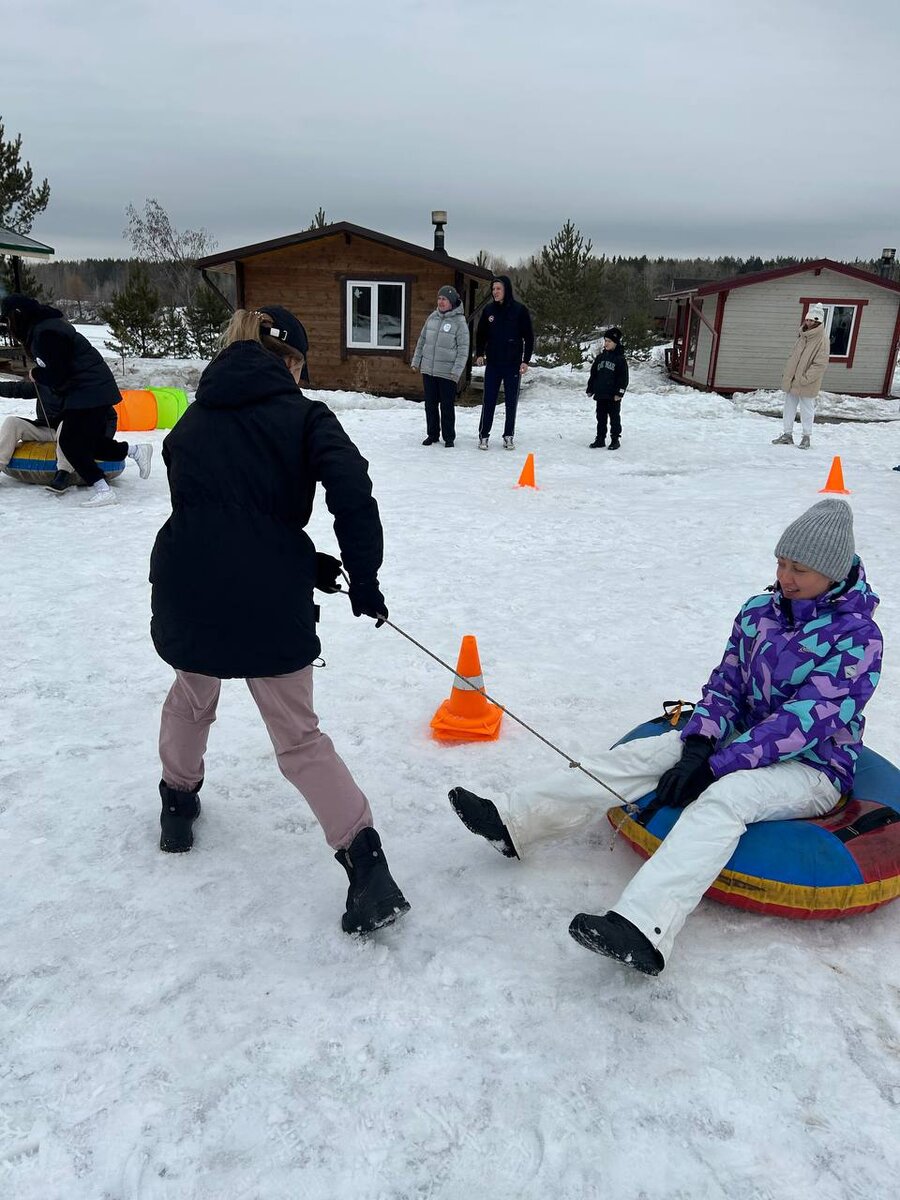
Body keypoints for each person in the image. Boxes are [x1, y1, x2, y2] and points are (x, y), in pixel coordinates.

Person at [448, 499, 881, 975]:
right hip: (739, 736)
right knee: (647, 754)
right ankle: (513, 820)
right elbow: (726, 684)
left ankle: (645, 928)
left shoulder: (858, 639)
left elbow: (804, 722)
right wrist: (698, 745)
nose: (786, 577)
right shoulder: (759, 611)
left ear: (834, 573)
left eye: (800, 569)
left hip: (813, 766)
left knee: (727, 797)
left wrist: (715, 767)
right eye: (781, 563)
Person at [149, 305, 410, 935]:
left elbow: (219, 511)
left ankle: (177, 809)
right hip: (265, 602)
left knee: (191, 695)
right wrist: (362, 578)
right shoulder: (304, 415)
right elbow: (352, 489)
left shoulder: (192, 419)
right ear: (289, 360)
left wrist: (301, 558)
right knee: (298, 737)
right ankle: (367, 869)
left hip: (188, 585)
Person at [0, 294, 152, 506]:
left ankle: (102, 488)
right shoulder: (44, 329)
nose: (8, 327)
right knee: (83, 443)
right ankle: (135, 450)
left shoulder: (46, 333)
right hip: (87, 389)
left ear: (17, 316)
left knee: (70, 443)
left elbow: (59, 373)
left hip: (89, 390)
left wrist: (38, 374)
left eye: (7, 320)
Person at [0, 375, 118, 492]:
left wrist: (105, 439)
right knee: (12, 422)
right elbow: (15, 389)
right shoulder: (42, 384)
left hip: (69, 432)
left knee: (67, 423)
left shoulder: (83, 386)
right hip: (44, 429)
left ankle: (63, 473)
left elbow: (111, 416)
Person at [474, 275, 534, 450]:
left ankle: (509, 435)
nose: (495, 292)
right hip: (493, 363)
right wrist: (479, 353)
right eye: (493, 289)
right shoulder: (489, 311)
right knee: (489, 400)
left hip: (512, 364)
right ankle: (484, 435)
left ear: (506, 290)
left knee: (510, 401)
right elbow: (481, 334)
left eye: (498, 289)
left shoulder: (519, 310)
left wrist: (526, 360)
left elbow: (528, 336)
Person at [410, 285, 469, 447]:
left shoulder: (459, 322)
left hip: (447, 373)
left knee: (447, 407)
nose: (441, 302)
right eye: (439, 298)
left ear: (452, 302)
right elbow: (422, 341)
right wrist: (416, 361)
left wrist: (456, 372)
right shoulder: (432, 318)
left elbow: (463, 350)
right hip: (428, 370)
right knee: (430, 405)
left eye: (444, 299)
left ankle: (449, 437)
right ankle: (432, 434)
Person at [772, 303, 830, 450]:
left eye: (812, 321)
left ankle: (806, 436)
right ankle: (787, 434)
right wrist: (788, 373)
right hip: (793, 379)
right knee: (789, 406)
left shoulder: (822, 340)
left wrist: (805, 378)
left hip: (806, 382)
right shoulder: (802, 336)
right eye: (807, 320)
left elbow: (820, 364)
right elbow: (794, 357)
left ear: (818, 322)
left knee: (807, 409)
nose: (808, 323)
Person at [585, 327, 629, 450]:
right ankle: (600, 439)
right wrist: (591, 388)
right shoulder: (600, 358)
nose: (606, 343)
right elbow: (594, 374)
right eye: (605, 341)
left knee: (614, 417)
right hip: (601, 393)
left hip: (613, 395)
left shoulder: (620, 359)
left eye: (609, 341)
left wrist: (619, 393)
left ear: (615, 343)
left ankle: (615, 439)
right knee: (601, 417)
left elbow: (623, 378)